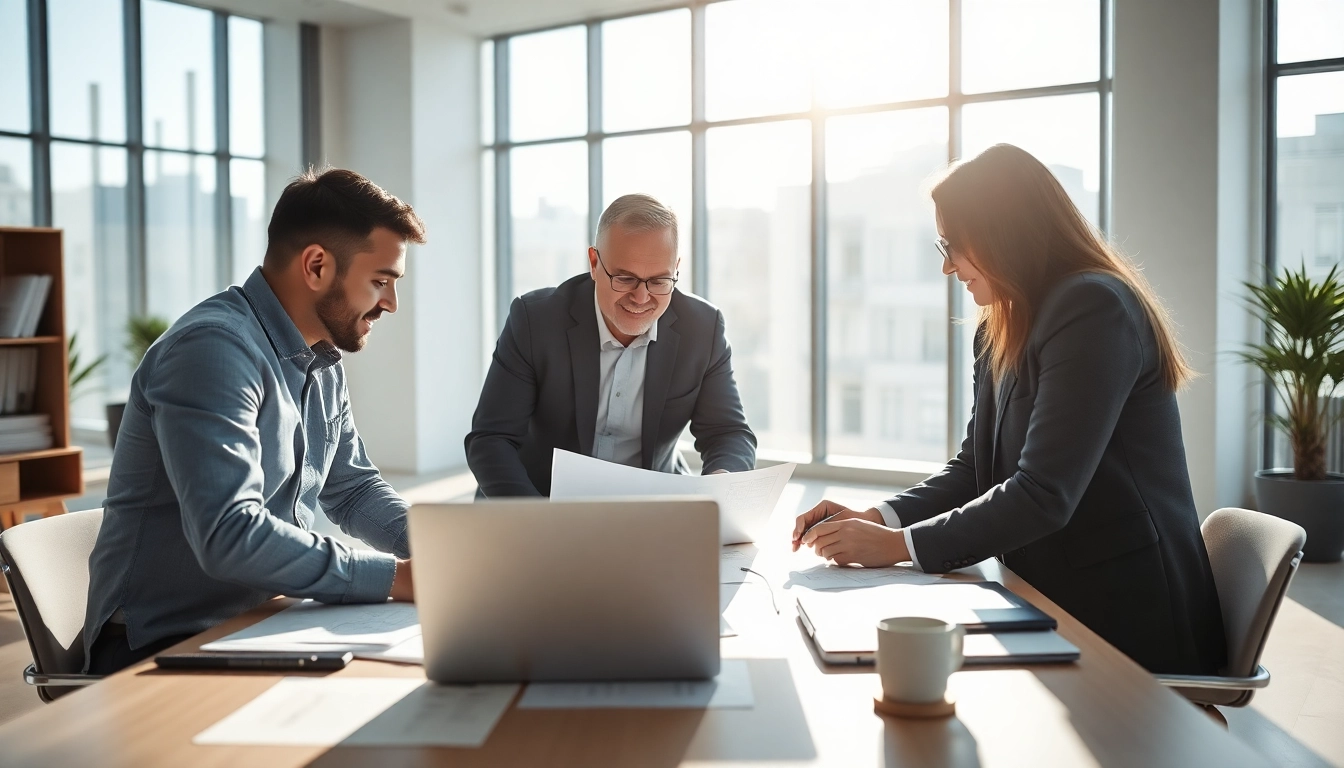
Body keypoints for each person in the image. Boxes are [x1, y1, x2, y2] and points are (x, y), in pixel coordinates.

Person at [792, 144, 1227, 675]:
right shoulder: (1002, 323)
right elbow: (976, 469)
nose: (948, 266)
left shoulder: (1093, 307)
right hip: (1045, 592)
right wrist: (879, 518)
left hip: (1126, 616)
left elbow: (1044, 494)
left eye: (953, 245)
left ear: (1004, 233)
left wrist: (899, 546)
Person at [83, 168, 426, 674]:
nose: (392, 303)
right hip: (162, 648)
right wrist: (396, 578)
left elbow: (352, 490)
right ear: (316, 266)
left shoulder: (319, 359)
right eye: (381, 281)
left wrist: (443, 550)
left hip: (263, 622)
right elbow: (230, 533)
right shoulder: (212, 350)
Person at [466, 193, 756, 497]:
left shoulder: (703, 328)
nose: (641, 298)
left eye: (659, 281)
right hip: (540, 499)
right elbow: (491, 439)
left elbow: (728, 433)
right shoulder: (535, 320)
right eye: (625, 278)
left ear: (676, 268)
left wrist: (722, 483)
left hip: (651, 507)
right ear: (594, 263)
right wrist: (539, 521)